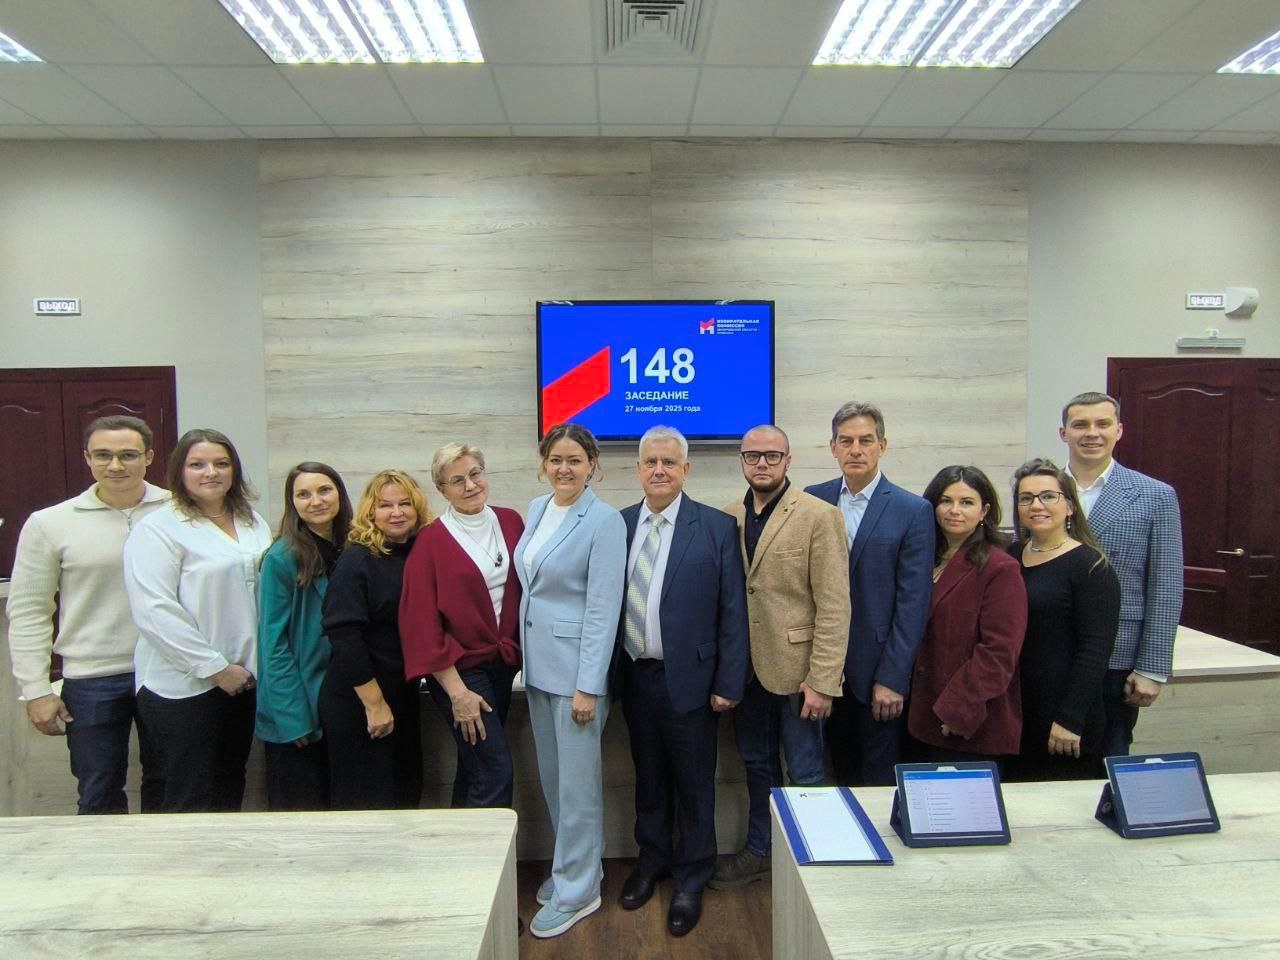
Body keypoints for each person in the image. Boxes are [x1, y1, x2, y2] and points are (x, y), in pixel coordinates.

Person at [611, 426, 748, 937]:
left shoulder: (715, 527)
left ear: (686, 469)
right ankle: (652, 862)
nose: (659, 470)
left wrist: (729, 682)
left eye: (669, 462)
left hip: (692, 681)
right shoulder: (619, 525)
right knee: (648, 780)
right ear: (638, 469)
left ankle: (692, 877)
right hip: (635, 677)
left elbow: (732, 611)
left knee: (693, 785)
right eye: (651, 462)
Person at [6, 415, 169, 814]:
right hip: (93, 677)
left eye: (128, 455)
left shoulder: (177, 510)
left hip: (169, 669)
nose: (115, 465)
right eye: (103, 455)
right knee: (98, 792)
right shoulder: (50, 523)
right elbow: (29, 610)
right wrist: (36, 689)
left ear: (149, 457)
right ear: (87, 458)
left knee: (170, 785)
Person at [712, 424, 849, 891]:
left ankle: (814, 865)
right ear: (742, 461)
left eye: (772, 455)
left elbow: (835, 605)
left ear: (788, 460)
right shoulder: (727, 517)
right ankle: (761, 851)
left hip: (800, 676)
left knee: (806, 771)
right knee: (757, 766)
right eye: (753, 456)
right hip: (747, 674)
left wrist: (823, 680)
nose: (762, 463)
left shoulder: (819, 516)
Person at [513, 423, 626, 939]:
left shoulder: (604, 521)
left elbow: (603, 609)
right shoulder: (538, 508)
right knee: (556, 782)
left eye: (575, 460)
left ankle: (579, 892)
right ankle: (576, 868)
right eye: (556, 459)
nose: (564, 468)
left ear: (592, 466)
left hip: (577, 676)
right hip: (538, 669)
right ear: (544, 463)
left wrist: (589, 686)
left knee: (578, 789)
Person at [123, 428, 273, 812]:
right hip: (183, 685)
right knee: (188, 795)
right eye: (197, 464)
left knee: (229, 784)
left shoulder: (252, 521)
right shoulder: (158, 528)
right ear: (179, 471)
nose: (211, 472)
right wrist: (216, 669)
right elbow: (155, 611)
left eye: (221, 463)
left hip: (243, 681)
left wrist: (245, 672)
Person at [806, 401, 934, 786]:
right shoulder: (812, 499)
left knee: (877, 782)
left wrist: (893, 678)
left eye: (865, 440)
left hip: (877, 673)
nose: (856, 450)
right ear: (833, 447)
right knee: (836, 776)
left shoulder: (913, 510)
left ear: (883, 445)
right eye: (846, 441)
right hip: (822, 672)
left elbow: (913, 605)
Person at [400, 443, 524, 809]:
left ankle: (460, 845)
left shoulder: (511, 522)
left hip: (503, 665)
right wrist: (458, 694)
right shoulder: (430, 542)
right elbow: (421, 625)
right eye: (457, 480)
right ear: (442, 490)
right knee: (495, 772)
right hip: (461, 673)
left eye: (475, 474)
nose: (470, 485)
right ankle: (490, 849)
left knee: (475, 770)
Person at [1060, 391, 1183, 757]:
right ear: (1063, 433)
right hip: (1050, 651)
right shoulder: (1041, 490)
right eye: (1080, 424)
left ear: (1119, 431)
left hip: (1118, 656)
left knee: (1108, 755)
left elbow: (1166, 585)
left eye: (1103, 424)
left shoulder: (1155, 496)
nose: (1091, 433)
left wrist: (1152, 667)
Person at [320, 469, 431, 810]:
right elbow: (344, 634)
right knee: (367, 805)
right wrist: (375, 704)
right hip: (361, 700)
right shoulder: (357, 558)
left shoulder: (418, 551)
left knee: (405, 794)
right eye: (385, 505)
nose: (396, 512)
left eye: (404, 503)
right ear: (371, 512)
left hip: (402, 693)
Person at [1006, 458, 1120, 781]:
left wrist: (1070, 718)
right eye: (1026, 498)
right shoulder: (1009, 557)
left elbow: (1095, 651)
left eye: (1048, 496)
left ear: (1069, 506)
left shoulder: (1091, 567)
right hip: (1016, 707)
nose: (1036, 505)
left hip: (1063, 714)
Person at [907, 466, 1026, 762]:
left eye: (967, 502)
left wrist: (958, 709)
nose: (954, 510)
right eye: (945, 501)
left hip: (968, 722)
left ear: (984, 511)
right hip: (918, 715)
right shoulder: (922, 558)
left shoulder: (1000, 568)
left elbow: (999, 652)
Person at [255, 462, 353, 811]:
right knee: (302, 814)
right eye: (304, 494)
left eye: (324, 490)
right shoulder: (281, 558)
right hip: (300, 708)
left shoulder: (353, 546)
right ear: (292, 502)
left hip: (341, 703)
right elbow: (273, 644)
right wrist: (293, 719)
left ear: (339, 493)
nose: (316, 501)